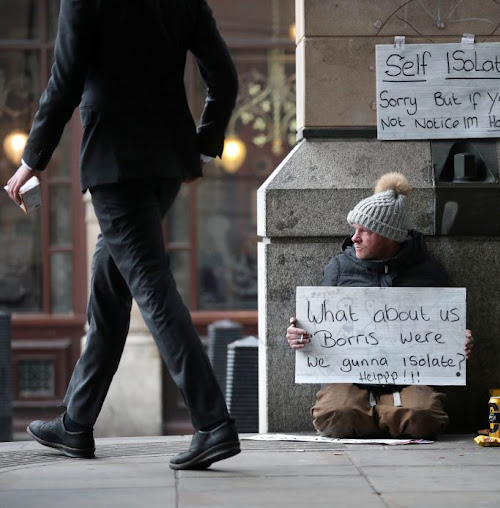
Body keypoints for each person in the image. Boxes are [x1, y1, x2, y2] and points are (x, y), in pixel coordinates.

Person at [4, 0, 240, 470]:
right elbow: (225, 77)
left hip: (115, 164)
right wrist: (203, 148)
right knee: (109, 294)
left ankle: (213, 423)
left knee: (151, 290)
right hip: (166, 164)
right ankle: (76, 422)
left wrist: (32, 160)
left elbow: (64, 80)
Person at [286, 172, 474, 439]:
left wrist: (459, 340)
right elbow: (317, 323)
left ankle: (371, 416)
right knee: (334, 416)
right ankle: (389, 417)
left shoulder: (429, 271)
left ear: (388, 236)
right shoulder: (339, 268)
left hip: (409, 377)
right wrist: (298, 334)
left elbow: (444, 328)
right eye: (355, 229)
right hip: (349, 376)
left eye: (365, 231)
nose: (354, 238)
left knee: (423, 418)